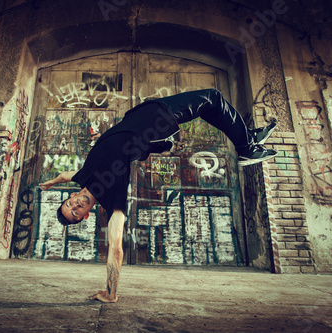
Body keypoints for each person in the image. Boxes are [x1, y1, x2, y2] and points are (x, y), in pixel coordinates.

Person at [39, 89, 277, 303]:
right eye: (75, 212)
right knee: (213, 97)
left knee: (209, 107)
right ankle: (247, 146)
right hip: (152, 124)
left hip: (142, 114)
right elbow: (115, 249)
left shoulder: (83, 177)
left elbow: (65, 174)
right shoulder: (113, 201)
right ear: (85, 216)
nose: (76, 205)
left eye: (70, 203)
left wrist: (51, 181)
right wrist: (111, 292)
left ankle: (247, 138)